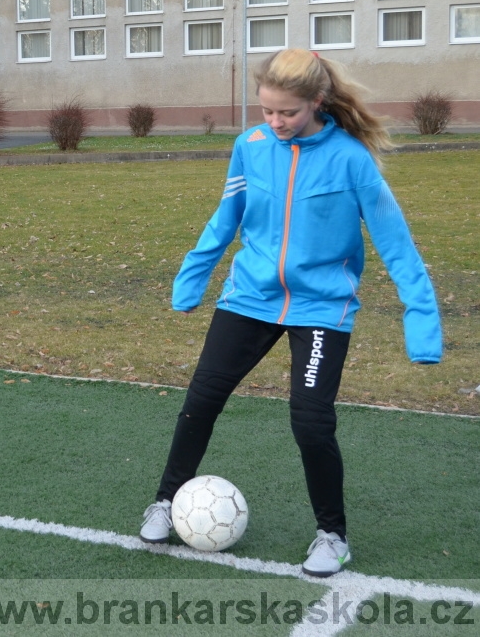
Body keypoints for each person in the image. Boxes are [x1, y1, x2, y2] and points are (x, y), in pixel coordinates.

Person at [138, 48, 442, 577]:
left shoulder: (351, 158)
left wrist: (422, 322)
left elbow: (397, 244)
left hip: (321, 307)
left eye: (288, 113)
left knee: (311, 424)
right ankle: (165, 501)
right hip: (249, 298)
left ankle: (332, 535)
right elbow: (225, 217)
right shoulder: (250, 147)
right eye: (267, 111)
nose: (275, 123)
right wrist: (192, 277)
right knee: (201, 399)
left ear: (316, 102)